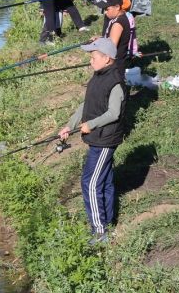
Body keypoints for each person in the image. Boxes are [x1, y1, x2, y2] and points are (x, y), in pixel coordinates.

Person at [58, 38, 125, 243]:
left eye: (93, 57)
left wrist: (91, 124)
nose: (90, 61)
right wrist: (70, 125)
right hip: (97, 137)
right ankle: (108, 220)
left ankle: (99, 230)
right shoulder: (98, 76)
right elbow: (86, 105)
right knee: (103, 181)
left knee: (90, 183)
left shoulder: (116, 83)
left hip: (105, 139)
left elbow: (114, 113)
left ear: (106, 59)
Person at [99, 0, 133, 76]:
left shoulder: (118, 23)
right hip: (114, 65)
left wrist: (97, 44)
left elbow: (111, 47)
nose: (105, 12)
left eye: (107, 9)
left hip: (114, 66)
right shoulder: (116, 19)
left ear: (117, 7)